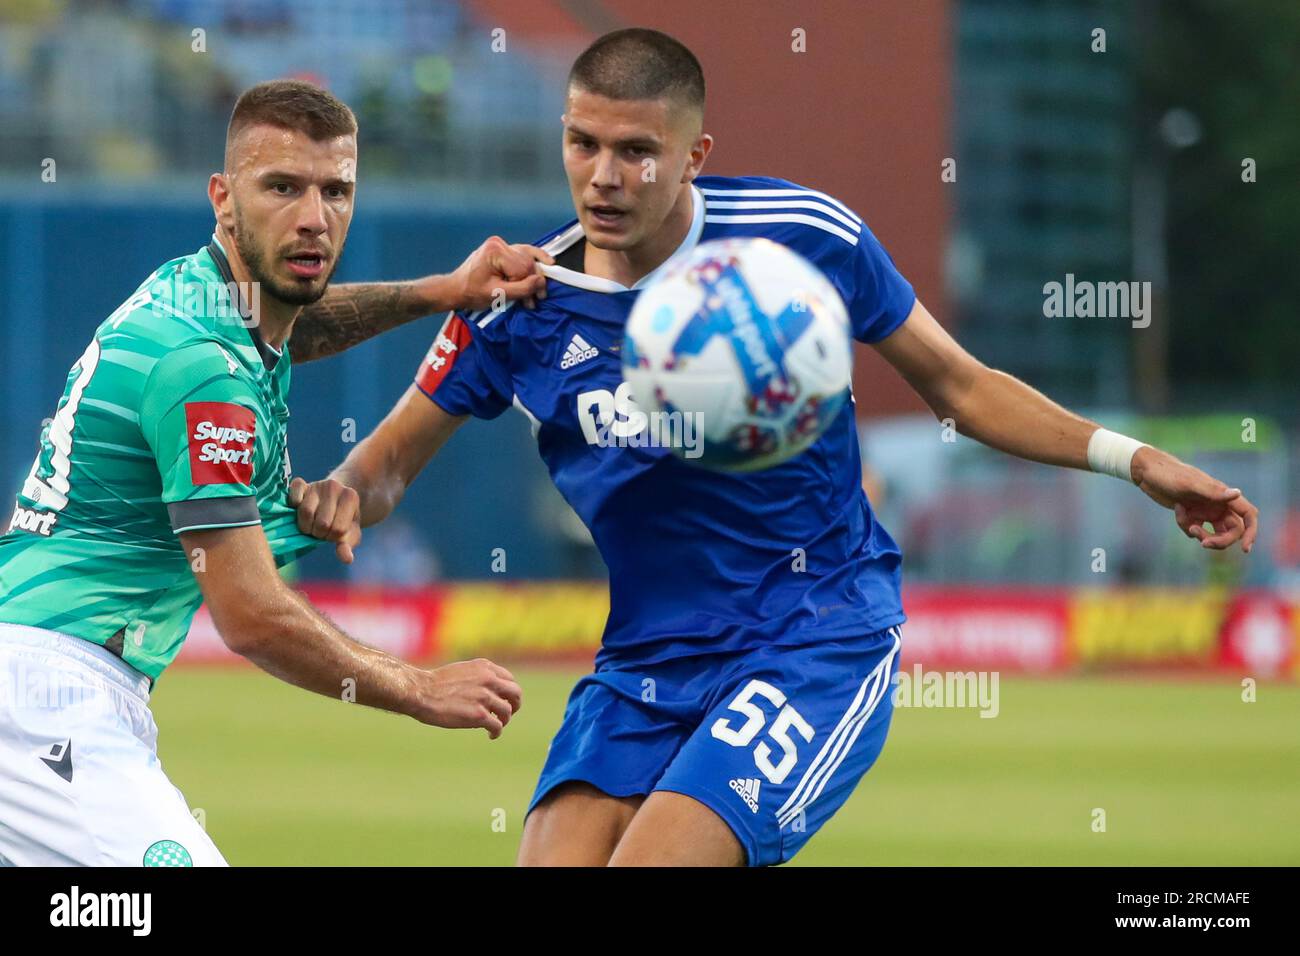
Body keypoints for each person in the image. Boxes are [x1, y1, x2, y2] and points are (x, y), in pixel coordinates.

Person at [289, 29, 1259, 866]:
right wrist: (334, 496)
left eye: (637, 150)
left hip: (812, 633)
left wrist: (1134, 459)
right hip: (643, 656)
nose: (604, 175)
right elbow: (380, 470)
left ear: (694, 153)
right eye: (582, 143)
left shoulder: (802, 238)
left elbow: (960, 387)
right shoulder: (514, 302)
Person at [0, 79, 548, 866]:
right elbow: (252, 616)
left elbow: (300, 324)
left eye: (336, 191)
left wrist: (445, 291)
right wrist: (418, 688)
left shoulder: (205, 296)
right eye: (282, 187)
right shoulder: (203, 369)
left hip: (45, 683)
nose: (313, 217)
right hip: (47, 700)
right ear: (223, 197)